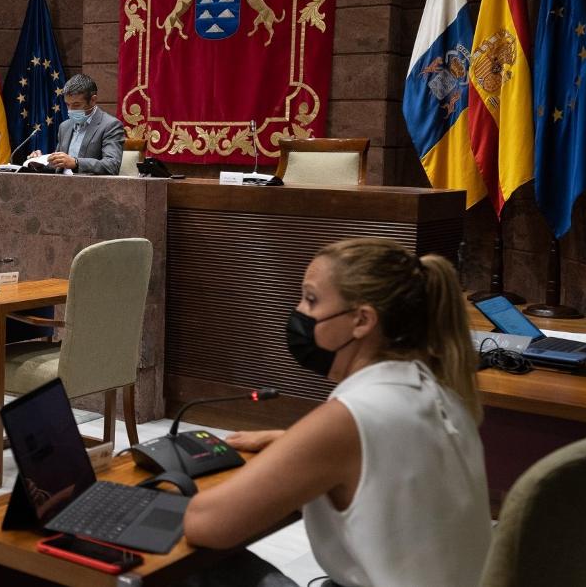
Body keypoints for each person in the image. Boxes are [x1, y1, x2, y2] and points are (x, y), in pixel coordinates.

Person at [182, 238, 491, 587]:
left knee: (196, 568)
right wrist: (293, 444)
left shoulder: (350, 418)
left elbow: (205, 523)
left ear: (362, 320)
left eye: (311, 299)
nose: (298, 311)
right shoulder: (441, 393)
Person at [27, 73, 125, 174]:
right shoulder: (64, 126)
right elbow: (59, 167)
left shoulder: (111, 125)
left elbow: (112, 165)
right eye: (68, 105)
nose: (70, 110)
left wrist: (76, 163)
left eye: (76, 105)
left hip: (91, 187)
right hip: (60, 185)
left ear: (93, 100)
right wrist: (40, 162)